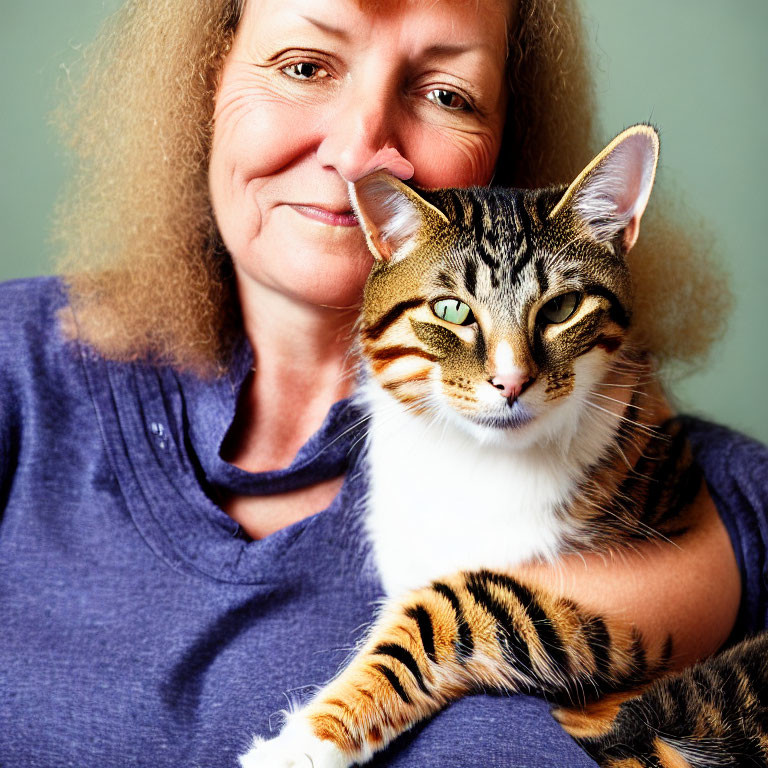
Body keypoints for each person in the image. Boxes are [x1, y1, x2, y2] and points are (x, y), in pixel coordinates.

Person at [0, 0, 765, 765]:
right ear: (204, 83)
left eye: (445, 94)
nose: (362, 149)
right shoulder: (18, 369)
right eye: (304, 67)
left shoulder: (701, 496)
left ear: (506, 139)